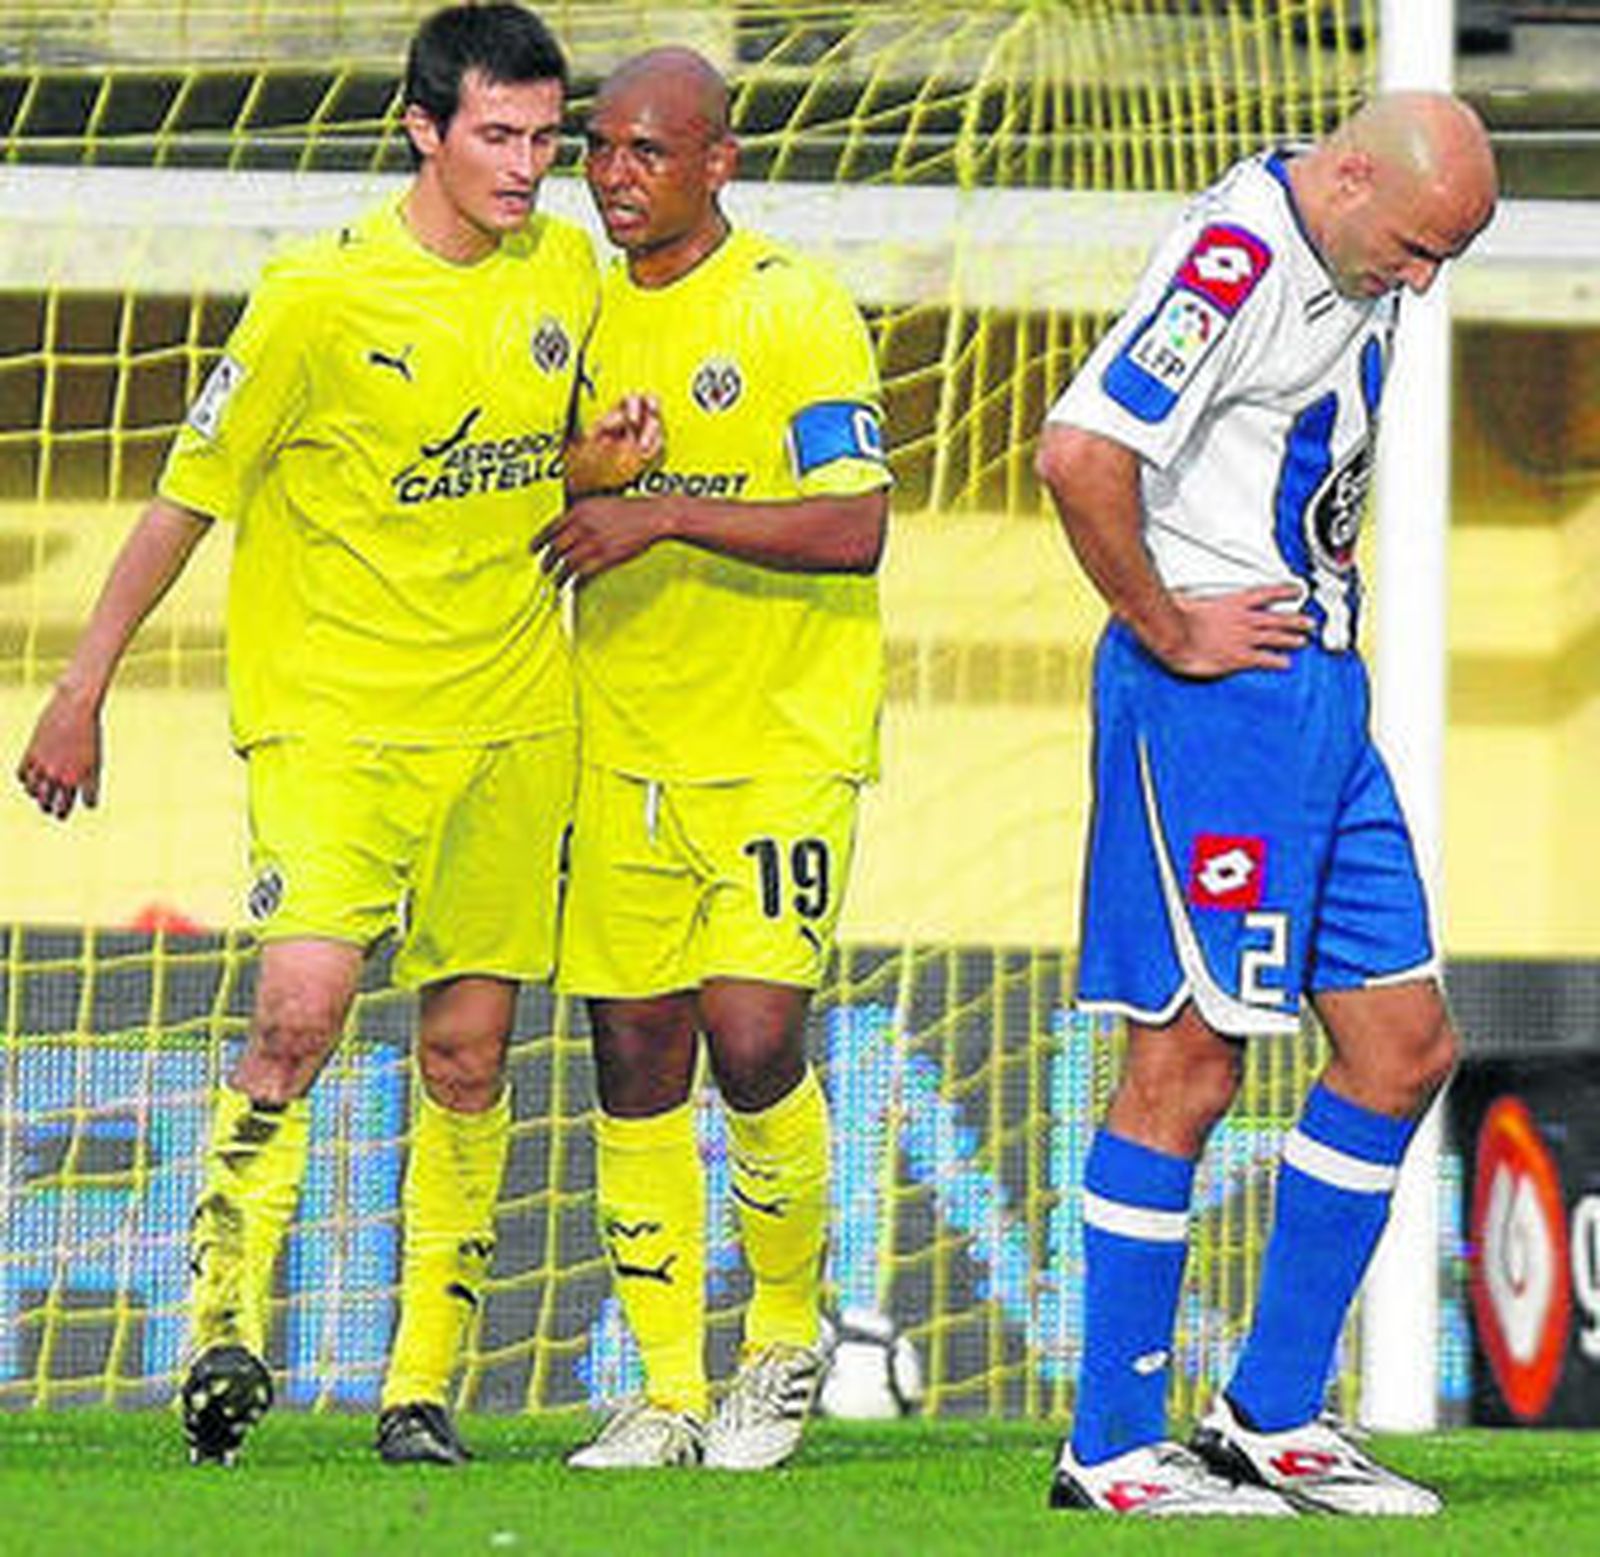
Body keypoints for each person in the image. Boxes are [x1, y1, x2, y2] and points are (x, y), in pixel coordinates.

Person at [15, 3, 649, 1469]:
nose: (529, 167)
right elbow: (190, 494)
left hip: (513, 716)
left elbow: (520, 452)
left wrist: (594, 462)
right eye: (499, 134)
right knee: (297, 1017)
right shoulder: (316, 296)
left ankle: (420, 1383)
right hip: (338, 728)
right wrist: (80, 683)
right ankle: (224, 1327)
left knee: (472, 1054)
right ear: (421, 129)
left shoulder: (562, 266)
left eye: (547, 138)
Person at [1035, 92, 1497, 1518]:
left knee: (1407, 1044)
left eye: (1447, 262)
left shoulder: (1356, 237)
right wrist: (1168, 624)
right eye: (1418, 248)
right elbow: (1078, 451)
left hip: (1318, 693)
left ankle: (1272, 1414)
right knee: (1188, 1068)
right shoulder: (1230, 260)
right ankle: (1112, 1444)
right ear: (1352, 173)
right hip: (1211, 705)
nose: (1421, 283)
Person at [536, 47, 891, 1471]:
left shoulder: (795, 310)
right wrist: (586, 479)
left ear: (718, 162)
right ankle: (668, 1389)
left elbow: (855, 524)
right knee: (632, 1047)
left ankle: (785, 1339)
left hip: (783, 742)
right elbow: (519, 494)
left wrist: (666, 510)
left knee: (751, 1036)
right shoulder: (565, 311)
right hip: (618, 741)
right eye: (598, 150)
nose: (615, 176)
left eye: (646, 151)